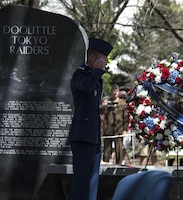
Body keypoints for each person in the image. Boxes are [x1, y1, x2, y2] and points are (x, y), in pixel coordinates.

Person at [69, 37, 113, 200]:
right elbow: (86, 86)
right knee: (81, 180)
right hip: (82, 136)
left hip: (93, 136)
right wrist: (97, 71)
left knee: (92, 180)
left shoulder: (94, 77)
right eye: (103, 59)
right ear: (93, 58)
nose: (105, 64)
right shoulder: (80, 75)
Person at [102, 84, 128, 165]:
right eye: (113, 91)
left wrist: (125, 129)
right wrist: (104, 106)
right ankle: (105, 163)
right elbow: (102, 113)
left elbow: (126, 117)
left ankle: (119, 164)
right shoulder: (108, 102)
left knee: (119, 149)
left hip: (119, 128)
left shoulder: (122, 103)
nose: (115, 93)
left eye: (116, 91)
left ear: (118, 92)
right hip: (108, 128)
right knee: (107, 149)